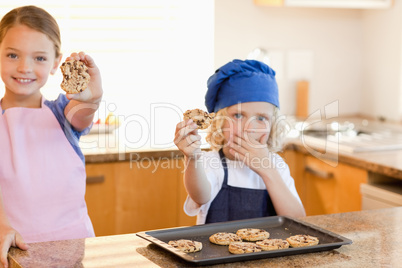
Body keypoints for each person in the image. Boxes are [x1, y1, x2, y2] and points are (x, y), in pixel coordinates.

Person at [0, 5, 103, 267]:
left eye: (39, 58)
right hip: (14, 249)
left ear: (57, 62)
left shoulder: (62, 113)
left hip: (75, 249)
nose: (24, 67)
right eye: (12, 55)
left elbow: (82, 113)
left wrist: (93, 98)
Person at [174, 59, 305, 225]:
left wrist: (267, 170)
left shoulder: (276, 165)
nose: (248, 128)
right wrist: (192, 158)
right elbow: (200, 195)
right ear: (220, 122)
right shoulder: (211, 162)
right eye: (238, 115)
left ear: (272, 125)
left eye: (261, 118)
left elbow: (298, 221)